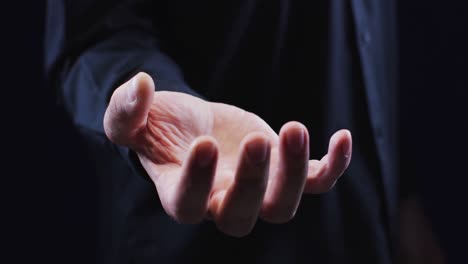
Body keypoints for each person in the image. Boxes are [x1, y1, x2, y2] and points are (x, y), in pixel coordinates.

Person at [45, 0, 443, 263]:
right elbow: (93, 32)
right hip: (201, 240)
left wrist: (399, 200)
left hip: (361, 232)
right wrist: (153, 106)